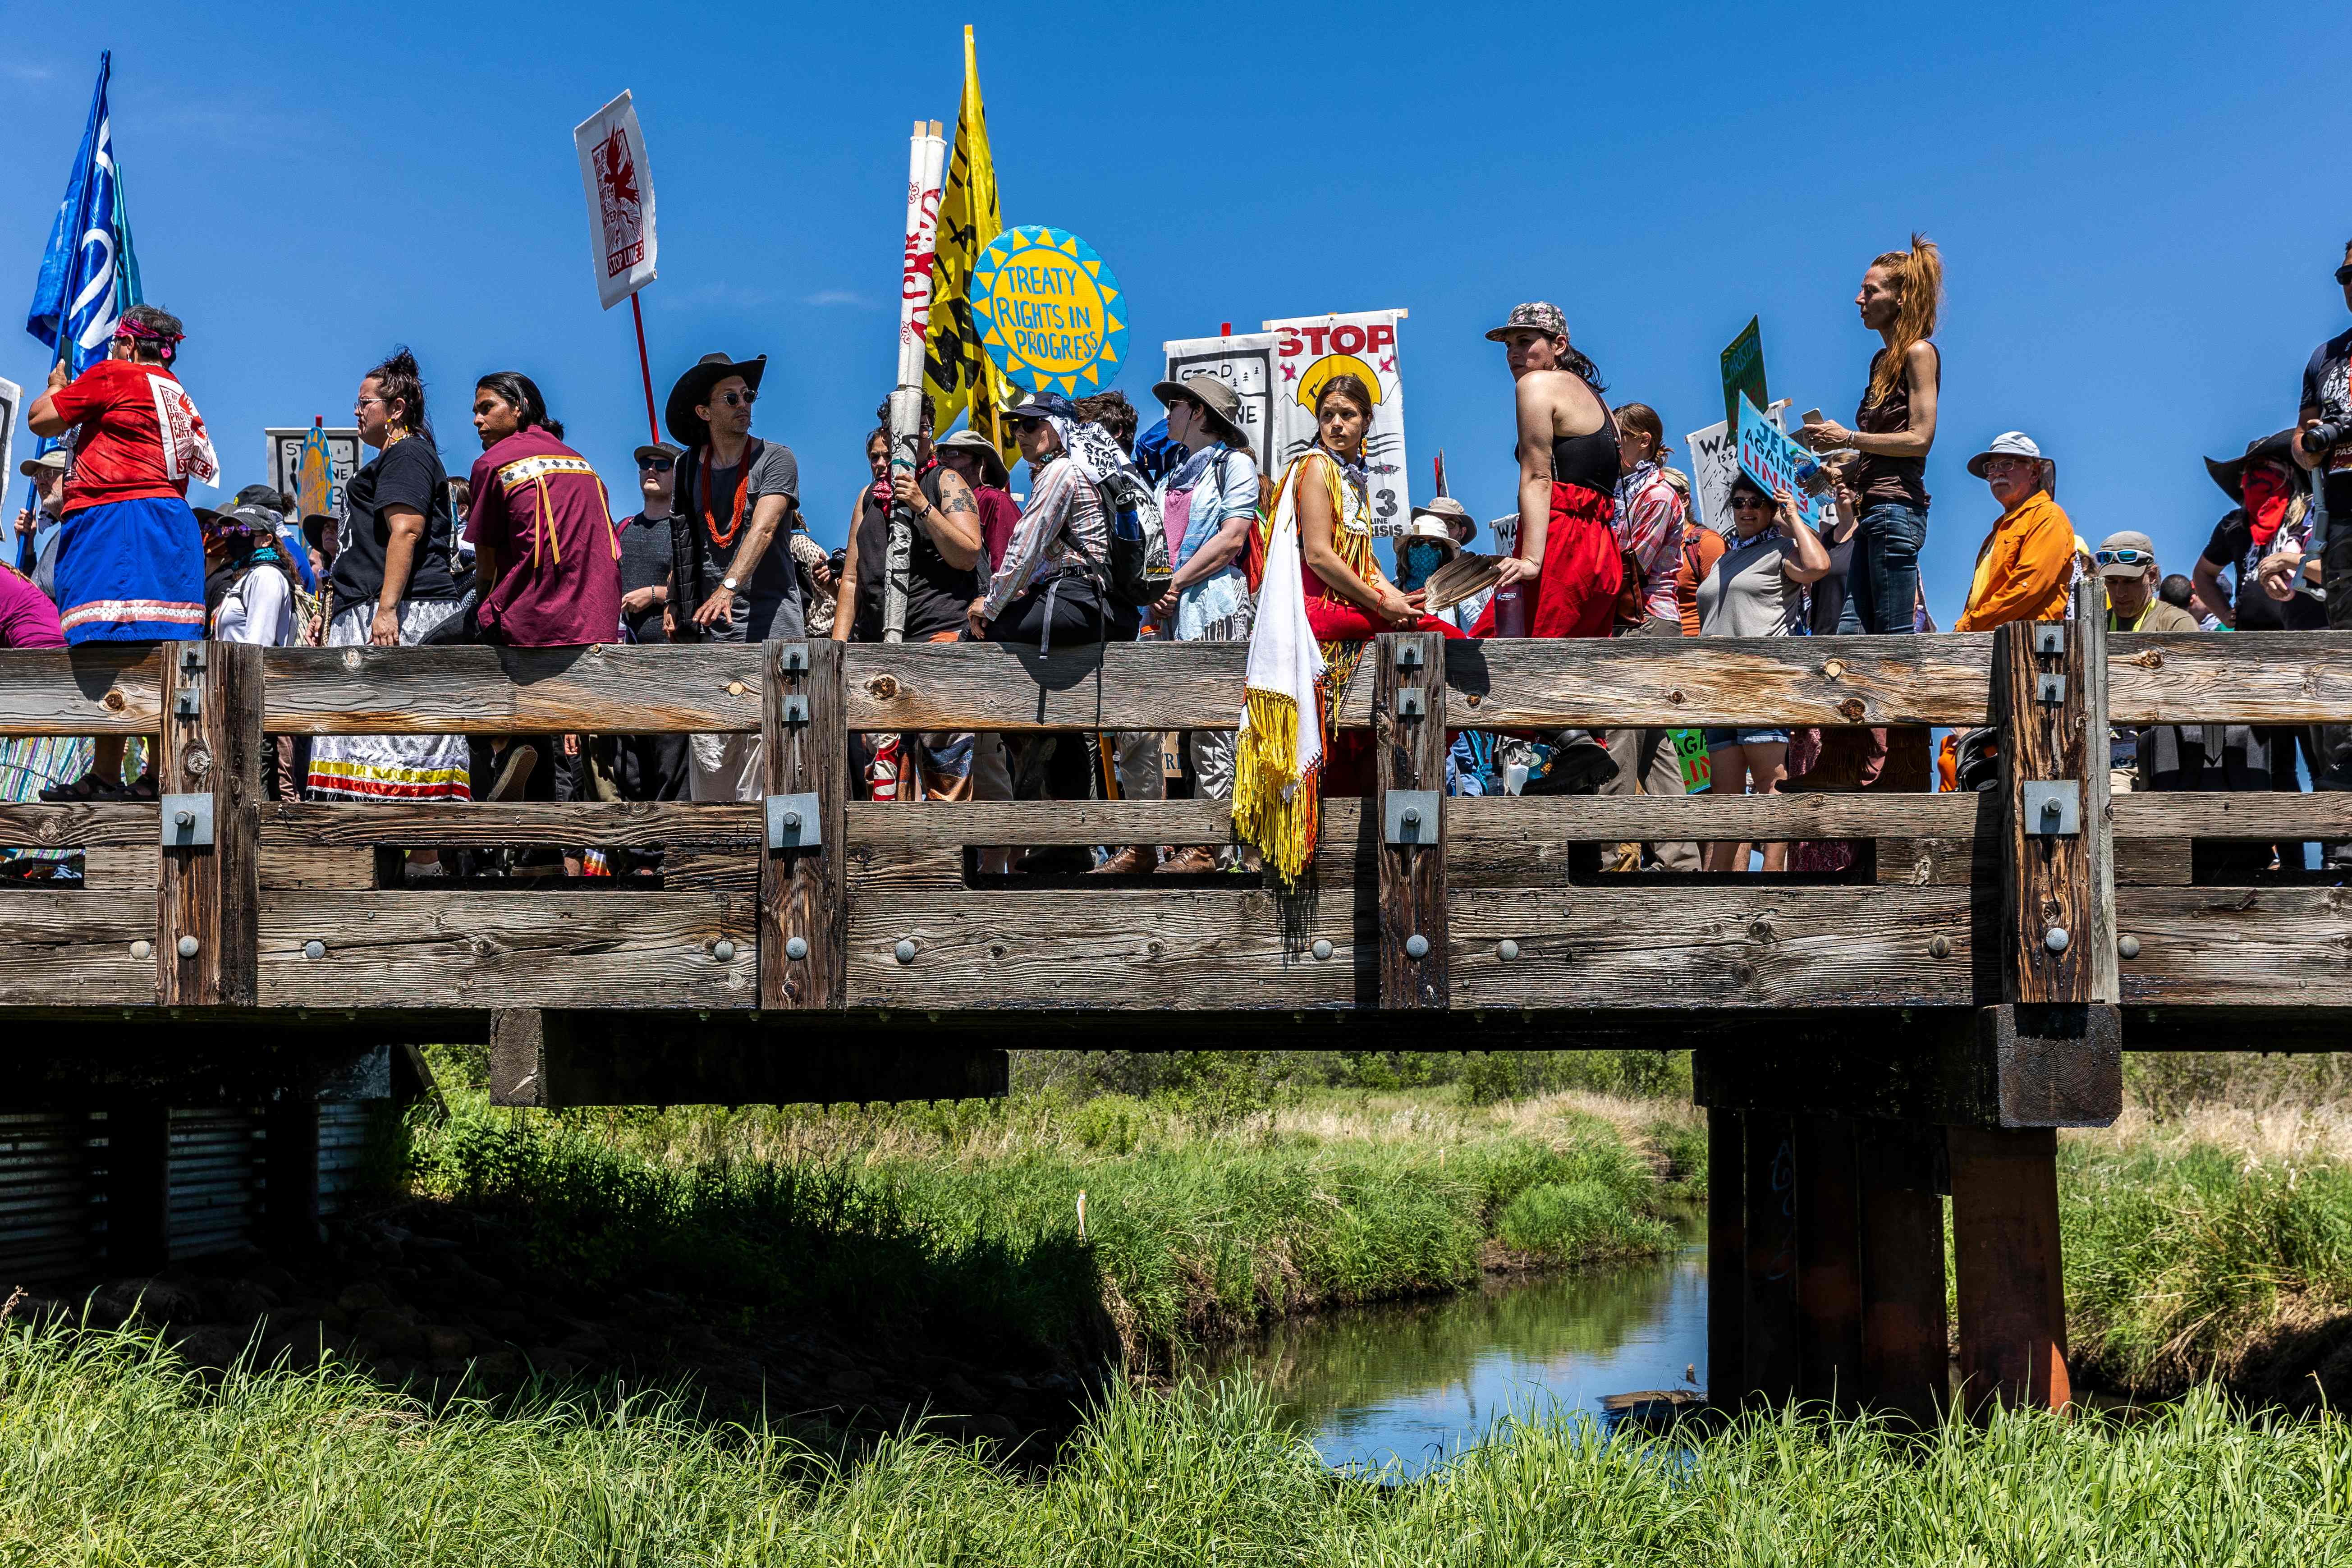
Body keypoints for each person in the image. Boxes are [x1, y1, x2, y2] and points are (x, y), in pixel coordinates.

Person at [1232, 373, 1467, 877]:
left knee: (1430, 627)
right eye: (1328, 415)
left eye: (1349, 415)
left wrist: (1397, 598)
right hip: (1321, 611)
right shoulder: (1316, 468)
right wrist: (1383, 607)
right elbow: (1319, 556)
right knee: (1440, 636)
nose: (1337, 424)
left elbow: (1368, 564)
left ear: (1366, 423)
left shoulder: (1353, 478)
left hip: (1349, 604)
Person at [25, 303, 216, 800]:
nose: (111, 350)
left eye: (115, 343)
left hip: (119, 524)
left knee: (105, 649)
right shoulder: (178, 394)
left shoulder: (116, 375)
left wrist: (56, 386)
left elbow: (41, 421)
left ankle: (109, 774)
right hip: (169, 530)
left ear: (130, 344)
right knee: (160, 654)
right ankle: (155, 776)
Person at [304, 349, 471, 845]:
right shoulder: (394, 457)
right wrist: (331, 614)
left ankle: (420, 871)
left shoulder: (409, 454)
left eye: (365, 404)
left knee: (401, 746)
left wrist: (387, 609)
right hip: (371, 612)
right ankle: (369, 867)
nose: (357, 413)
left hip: (402, 614)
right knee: (367, 749)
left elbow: (407, 530)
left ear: (396, 409)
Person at [465, 372, 624, 818]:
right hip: (596, 628)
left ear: (520, 408)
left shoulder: (495, 464)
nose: (475, 419)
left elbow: (487, 566)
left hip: (535, 624)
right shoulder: (582, 462)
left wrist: (481, 614)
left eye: (486, 407)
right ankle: (541, 848)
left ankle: (502, 749)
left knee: (436, 662)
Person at [662, 352, 804, 802]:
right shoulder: (687, 468)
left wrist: (728, 587)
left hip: (774, 634)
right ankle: (720, 870)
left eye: (749, 395)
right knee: (713, 767)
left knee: (774, 770)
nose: (744, 403)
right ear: (705, 411)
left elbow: (763, 528)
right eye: (731, 397)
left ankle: (777, 873)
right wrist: (672, 602)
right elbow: (684, 543)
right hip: (715, 640)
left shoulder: (777, 459)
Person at [833, 398, 988, 804]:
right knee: (882, 768)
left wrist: (921, 505)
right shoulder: (867, 498)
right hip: (878, 645)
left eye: (920, 429)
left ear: (929, 432)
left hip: (939, 637)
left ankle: (950, 861)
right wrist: (836, 646)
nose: (912, 437)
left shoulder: (946, 482)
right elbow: (850, 578)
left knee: (945, 764)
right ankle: (892, 860)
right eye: (901, 430)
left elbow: (968, 552)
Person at [1794, 235, 1944, 636]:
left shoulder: (1918, 353)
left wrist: (1847, 439)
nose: (1858, 299)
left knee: (1891, 639)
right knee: (1850, 636)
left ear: (1900, 299)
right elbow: (1888, 443)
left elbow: (1919, 440)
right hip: (1874, 511)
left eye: (1869, 291)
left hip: (1896, 511)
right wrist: (1845, 468)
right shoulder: (1881, 362)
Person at [1151, 372, 1260, 873]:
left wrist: (1174, 582)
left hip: (1215, 609)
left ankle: (1213, 844)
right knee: (1174, 734)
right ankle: (1181, 840)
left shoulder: (1234, 465)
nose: (1167, 413)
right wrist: (1160, 593)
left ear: (1197, 412)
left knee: (1215, 732)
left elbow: (1233, 537)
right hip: (1173, 616)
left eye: (1174, 403)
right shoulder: (1170, 475)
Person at [1696, 472, 1831, 871]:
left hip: (1758, 682)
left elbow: (1818, 565)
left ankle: (1773, 879)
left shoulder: (1782, 550)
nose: (1746, 510)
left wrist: (1792, 516)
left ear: (1771, 510)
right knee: (1724, 793)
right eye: (1738, 503)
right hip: (1715, 685)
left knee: (1769, 783)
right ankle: (1718, 883)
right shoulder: (1724, 556)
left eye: (1756, 503)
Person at [1477, 303, 1622, 638]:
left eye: (1525, 341)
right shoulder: (1596, 399)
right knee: (1579, 671)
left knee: (1507, 663)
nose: (1513, 353)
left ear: (1558, 345)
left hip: (1561, 544)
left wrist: (1530, 560)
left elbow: (1537, 477)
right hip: (1601, 550)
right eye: (1508, 345)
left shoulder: (1536, 385)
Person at [1600, 402, 1698, 871]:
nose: (1611, 442)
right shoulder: (1625, 489)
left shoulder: (1658, 495)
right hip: (1639, 621)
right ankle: (1680, 857)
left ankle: (1615, 851)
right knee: (1655, 745)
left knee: (1622, 732)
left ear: (1644, 441)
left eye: (1620, 434)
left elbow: (1633, 562)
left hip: (1646, 621)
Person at [597, 442, 689, 819]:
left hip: (672, 667)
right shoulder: (622, 530)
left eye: (662, 465)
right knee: (628, 768)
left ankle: (671, 853)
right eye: (645, 465)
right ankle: (637, 858)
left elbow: (701, 589)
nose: (651, 470)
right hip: (624, 667)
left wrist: (655, 595)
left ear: (678, 475)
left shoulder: (685, 531)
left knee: (671, 764)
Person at [1953, 432, 2074, 632]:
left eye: (2008, 464)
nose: (1998, 473)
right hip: (1994, 641)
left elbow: (2027, 586)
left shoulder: (2047, 516)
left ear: (2034, 473)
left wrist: (1969, 626)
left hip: (2030, 648)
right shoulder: (2001, 527)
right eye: (1992, 467)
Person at [937, 428, 1022, 572]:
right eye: (941, 454)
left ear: (980, 464)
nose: (943, 460)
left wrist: (991, 594)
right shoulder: (939, 504)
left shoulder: (995, 501)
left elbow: (1007, 567)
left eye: (954, 454)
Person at [13, 449, 67, 601]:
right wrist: (28, 547)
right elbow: (35, 597)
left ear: (70, 476)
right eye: (37, 478)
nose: (41, 483)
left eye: (49, 474)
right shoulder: (60, 538)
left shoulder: (88, 528)